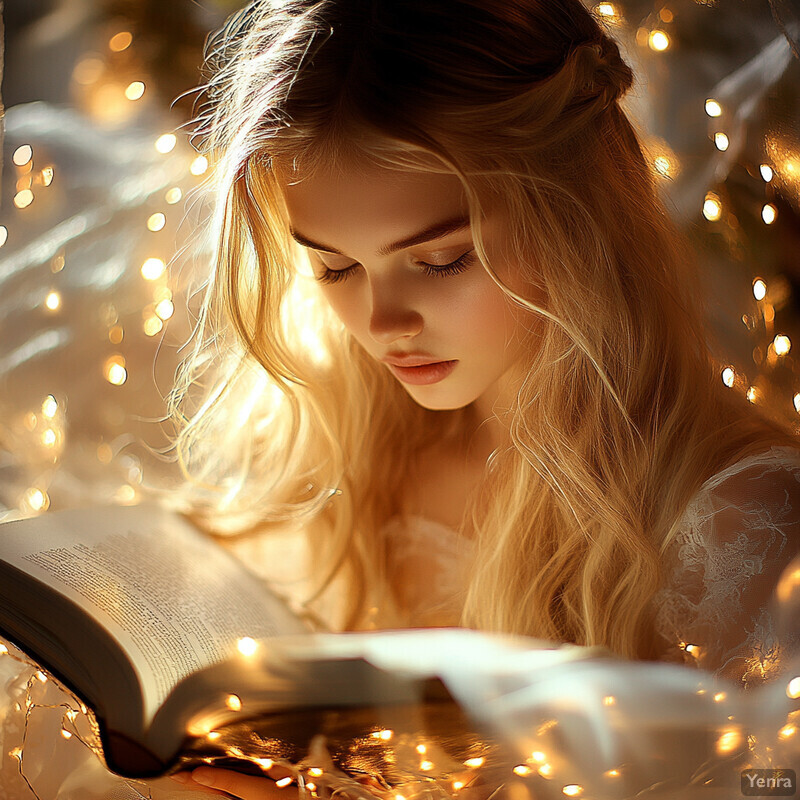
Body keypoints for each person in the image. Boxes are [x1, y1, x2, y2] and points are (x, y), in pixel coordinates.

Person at [166, 0, 800, 795]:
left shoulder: (739, 526)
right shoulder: (338, 451)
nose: (382, 321)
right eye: (334, 268)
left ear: (576, 220)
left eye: (438, 260)